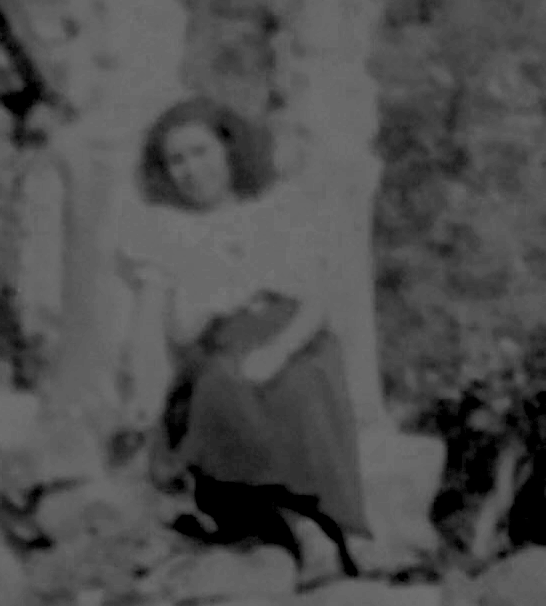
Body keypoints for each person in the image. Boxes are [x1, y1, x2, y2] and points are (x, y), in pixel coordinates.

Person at [121, 97, 370, 581]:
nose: (192, 170)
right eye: (177, 161)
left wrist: (278, 350)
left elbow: (316, 302)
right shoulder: (165, 230)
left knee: (300, 386)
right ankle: (299, 527)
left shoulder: (278, 213)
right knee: (224, 386)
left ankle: (335, 530)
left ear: (229, 149)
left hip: (295, 339)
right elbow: (161, 326)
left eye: (201, 152)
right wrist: (143, 388)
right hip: (220, 346)